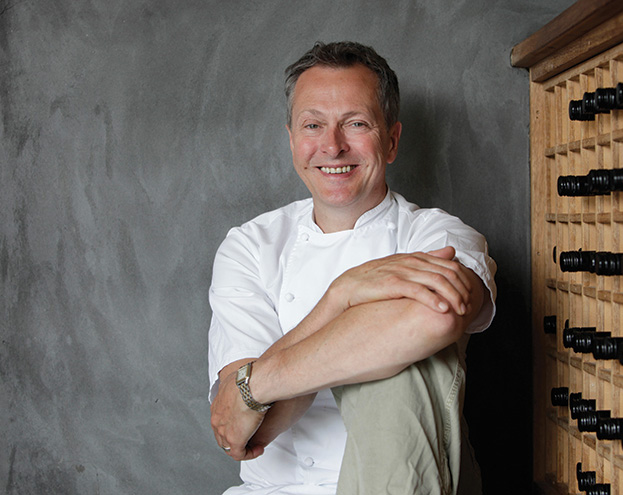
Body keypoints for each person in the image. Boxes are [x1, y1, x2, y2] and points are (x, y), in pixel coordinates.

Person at [208, 41, 497, 495]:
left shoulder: (438, 236)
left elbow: (434, 315)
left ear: (392, 140)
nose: (332, 146)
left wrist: (257, 386)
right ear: (292, 140)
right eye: (313, 125)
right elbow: (241, 429)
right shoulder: (250, 246)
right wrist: (342, 296)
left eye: (356, 124)